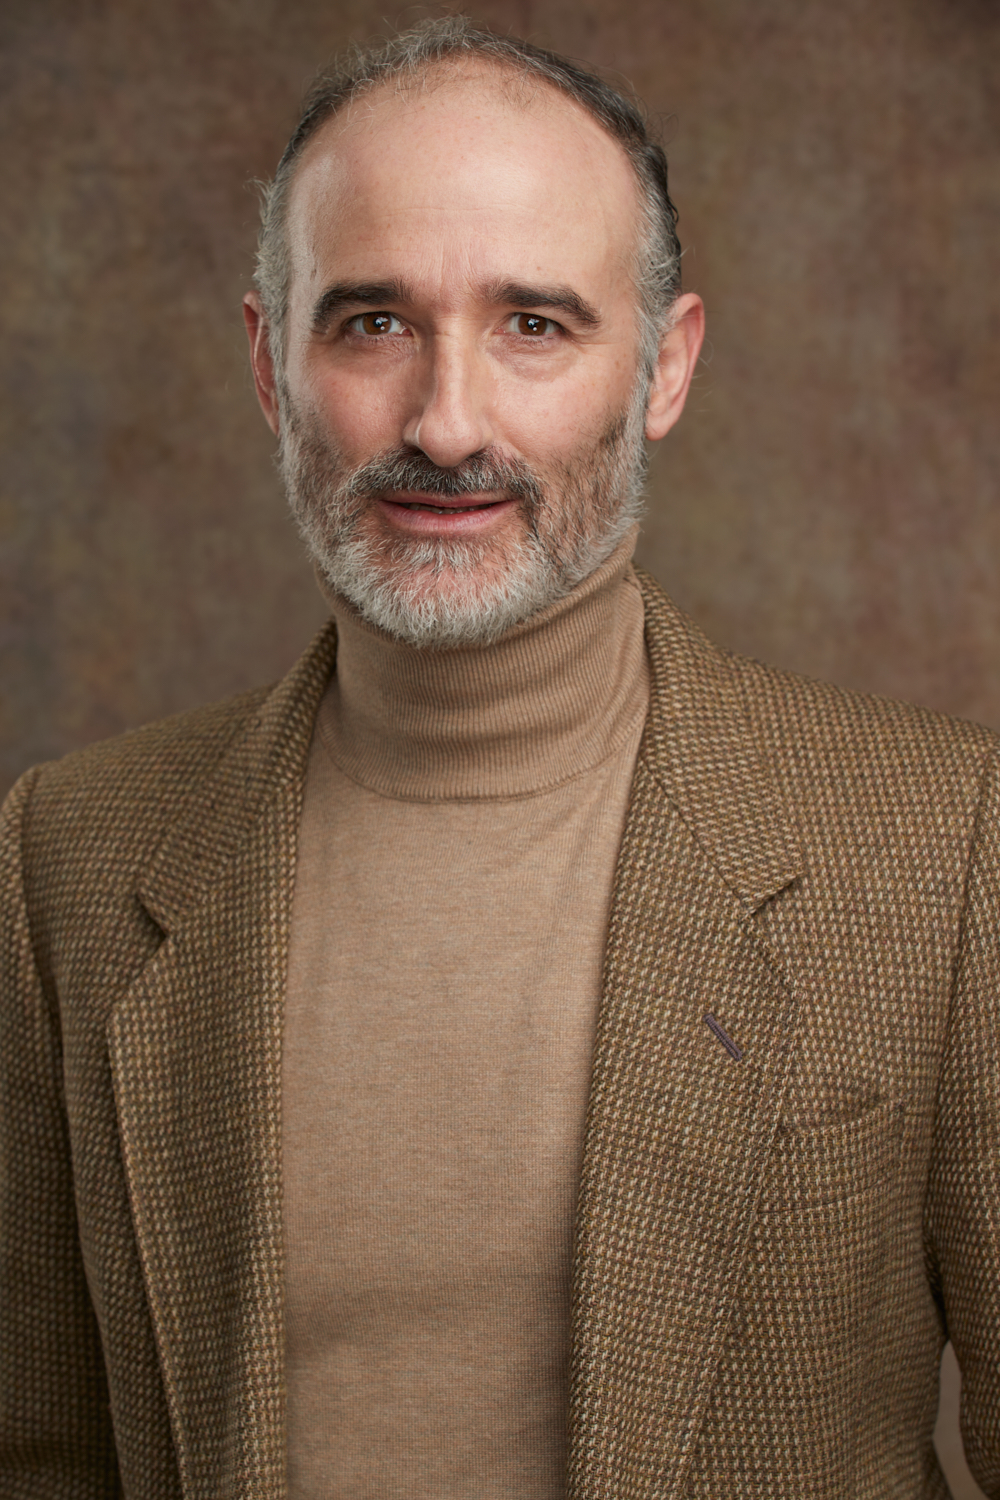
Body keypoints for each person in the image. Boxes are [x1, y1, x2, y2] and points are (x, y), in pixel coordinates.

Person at [1, 16, 997, 1499]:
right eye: (372, 323)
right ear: (272, 365)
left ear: (662, 368)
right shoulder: (65, 858)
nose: (448, 423)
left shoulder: (946, 846)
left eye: (534, 324)